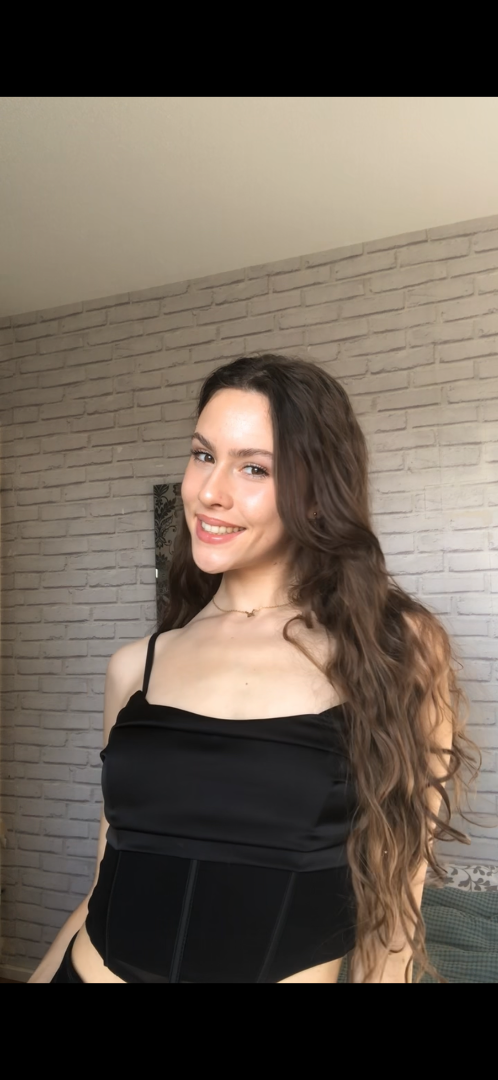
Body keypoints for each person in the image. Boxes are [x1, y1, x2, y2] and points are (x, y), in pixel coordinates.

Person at [29, 352, 479, 984]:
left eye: (255, 467)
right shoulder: (135, 668)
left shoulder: (395, 649)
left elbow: (398, 889)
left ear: (317, 492)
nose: (209, 491)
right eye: (203, 455)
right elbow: (110, 870)